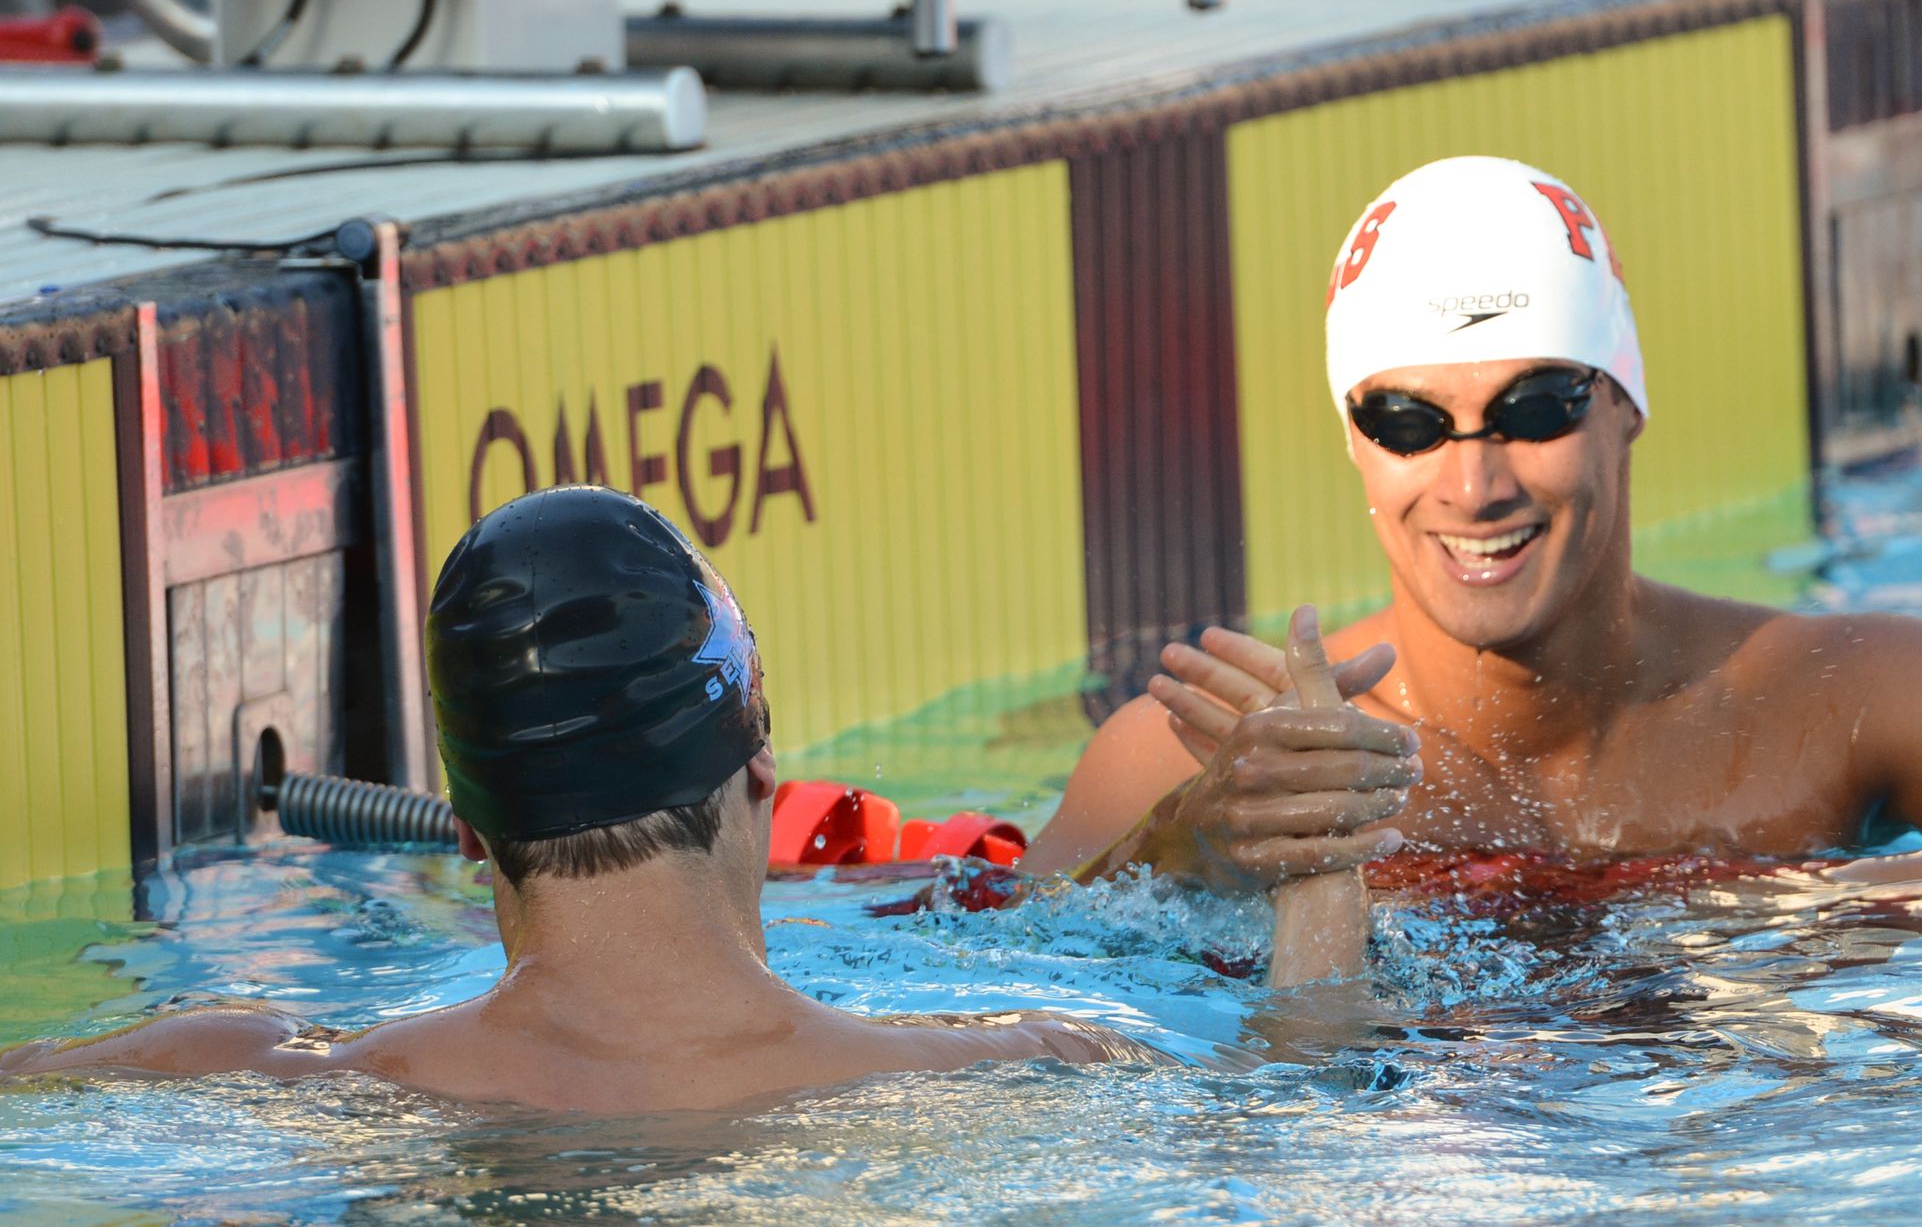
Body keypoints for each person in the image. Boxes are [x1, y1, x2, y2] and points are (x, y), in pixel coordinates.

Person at [1023, 155, 1922, 970]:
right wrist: (1191, 849)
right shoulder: (1208, 759)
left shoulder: (1836, 689)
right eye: (1408, 422)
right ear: (1355, 446)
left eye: (1535, 409)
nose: (1473, 483)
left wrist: (1823, 911)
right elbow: (1002, 991)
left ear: (1624, 406)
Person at [2, 489, 1139, 1110]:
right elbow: (1304, 1073)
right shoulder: (1021, 1070)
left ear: (469, 833)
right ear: (758, 777)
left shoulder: (255, 1074)